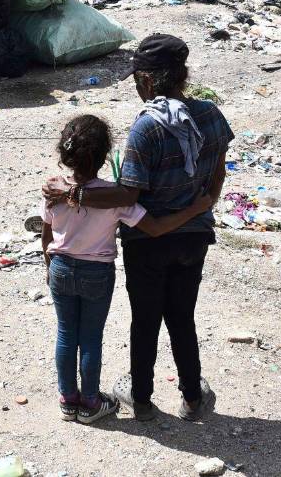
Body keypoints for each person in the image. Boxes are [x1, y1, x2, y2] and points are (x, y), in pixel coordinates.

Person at [45, 34, 233, 422]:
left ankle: (143, 400)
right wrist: (204, 203)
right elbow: (218, 172)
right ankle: (193, 397)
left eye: (135, 79)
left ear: (147, 80)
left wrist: (72, 194)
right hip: (194, 235)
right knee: (183, 317)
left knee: (145, 320)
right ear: (182, 75)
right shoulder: (212, 115)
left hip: (146, 240)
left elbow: (127, 195)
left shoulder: (146, 128)